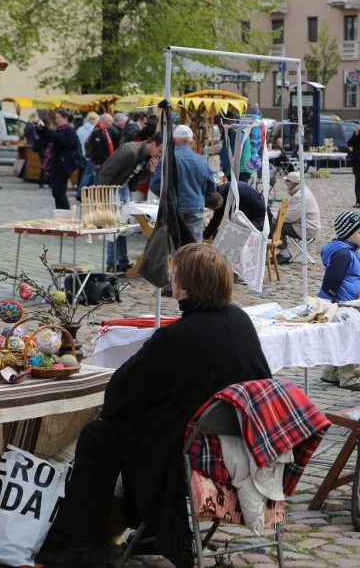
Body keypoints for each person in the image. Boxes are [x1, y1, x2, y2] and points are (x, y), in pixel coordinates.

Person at [37, 243, 272, 568]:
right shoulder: (240, 321)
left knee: (98, 435)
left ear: (186, 287)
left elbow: (119, 393)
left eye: (176, 275)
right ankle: (144, 532)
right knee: (135, 428)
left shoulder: (177, 338)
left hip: (197, 457)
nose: (172, 279)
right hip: (246, 450)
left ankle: (83, 544)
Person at [98, 127, 162, 271]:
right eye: (159, 151)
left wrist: (149, 172)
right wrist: (101, 197)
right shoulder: (130, 150)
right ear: (153, 144)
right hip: (112, 189)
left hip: (123, 188)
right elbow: (106, 172)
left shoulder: (144, 155)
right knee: (113, 228)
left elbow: (134, 182)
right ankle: (110, 263)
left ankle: (122, 261)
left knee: (122, 228)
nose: (159, 155)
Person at [318, 211, 360, 392]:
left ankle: (330, 373)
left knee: (340, 338)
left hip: (347, 302)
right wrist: (330, 302)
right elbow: (331, 281)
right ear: (348, 233)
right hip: (342, 304)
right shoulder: (343, 254)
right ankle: (349, 378)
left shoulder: (348, 251)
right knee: (350, 338)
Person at [150, 125, 216, 242]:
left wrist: (168, 197)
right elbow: (211, 188)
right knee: (194, 247)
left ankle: (177, 260)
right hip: (195, 206)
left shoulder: (168, 159)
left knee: (175, 245)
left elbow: (155, 186)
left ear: (175, 140)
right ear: (191, 141)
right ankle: (193, 261)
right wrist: (199, 195)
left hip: (174, 208)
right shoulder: (201, 160)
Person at [36, 108, 79, 210]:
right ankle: (61, 213)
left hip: (64, 165)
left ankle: (65, 214)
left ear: (65, 118)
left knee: (59, 192)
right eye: (56, 118)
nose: (56, 120)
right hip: (58, 164)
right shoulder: (61, 130)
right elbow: (50, 137)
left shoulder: (69, 130)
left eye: (58, 118)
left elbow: (57, 138)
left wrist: (44, 128)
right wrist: (40, 129)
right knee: (56, 192)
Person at [277, 171, 321, 264]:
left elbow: (287, 218)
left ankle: (284, 254)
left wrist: (275, 214)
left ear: (292, 183)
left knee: (274, 224)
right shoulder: (301, 191)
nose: (286, 184)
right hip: (305, 225)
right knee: (276, 222)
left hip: (306, 229)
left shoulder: (300, 196)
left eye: (287, 181)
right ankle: (283, 252)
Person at [203, 180, 268, 241]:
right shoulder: (219, 193)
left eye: (215, 209)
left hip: (261, 221)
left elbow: (218, 218)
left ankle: (229, 253)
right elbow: (216, 219)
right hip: (251, 218)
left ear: (220, 203)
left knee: (223, 236)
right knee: (219, 234)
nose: (216, 210)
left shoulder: (232, 194)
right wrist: (204, 236)